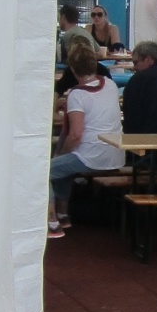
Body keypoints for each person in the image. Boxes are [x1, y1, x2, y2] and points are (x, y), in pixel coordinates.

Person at [47, 43, 124, 238]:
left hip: (91, 157)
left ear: (72, 69)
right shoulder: (111, 85)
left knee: (44, 171)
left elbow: (75, 134)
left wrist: (62, 153)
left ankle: (52, 220)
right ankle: (63, 214)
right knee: (63, 168)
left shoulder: (77, 95)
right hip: (116, 155)